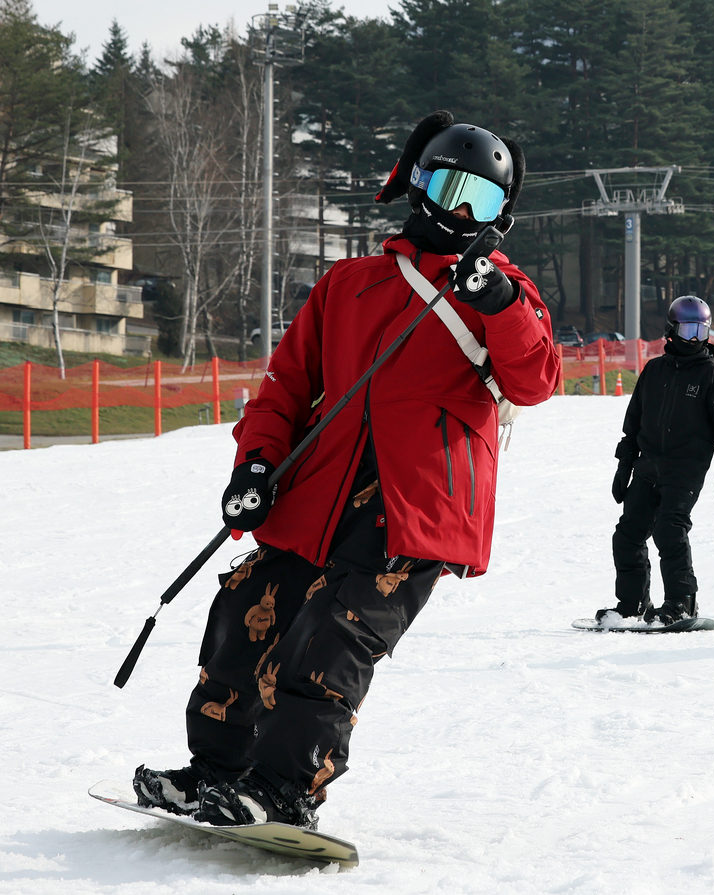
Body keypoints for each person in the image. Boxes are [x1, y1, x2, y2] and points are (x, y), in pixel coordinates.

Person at [132, 111, 560, 829]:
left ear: (501, 216)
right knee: (245, 612)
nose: (460, 211)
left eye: (481, 201)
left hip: (413, 509)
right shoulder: (349, 283)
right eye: (452, 187)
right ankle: (217, 768)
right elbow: (285, 386)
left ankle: (284, 788)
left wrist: (503, 304)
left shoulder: (501, 289)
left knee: (331, 638)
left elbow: (536, 378)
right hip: (317, 495)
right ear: (419, 183)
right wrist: (256, 464)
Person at [600, 296, 714, 625]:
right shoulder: (654, 370)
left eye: (701, 331)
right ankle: (632, 604)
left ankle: (682, 603)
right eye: (688, 329)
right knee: (627, 535)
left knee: (669, 530)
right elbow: (633, 425)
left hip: (685, 469)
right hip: (647, 468)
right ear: (671, 329)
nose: (694, 339)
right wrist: (624, 467)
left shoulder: (710, 375)